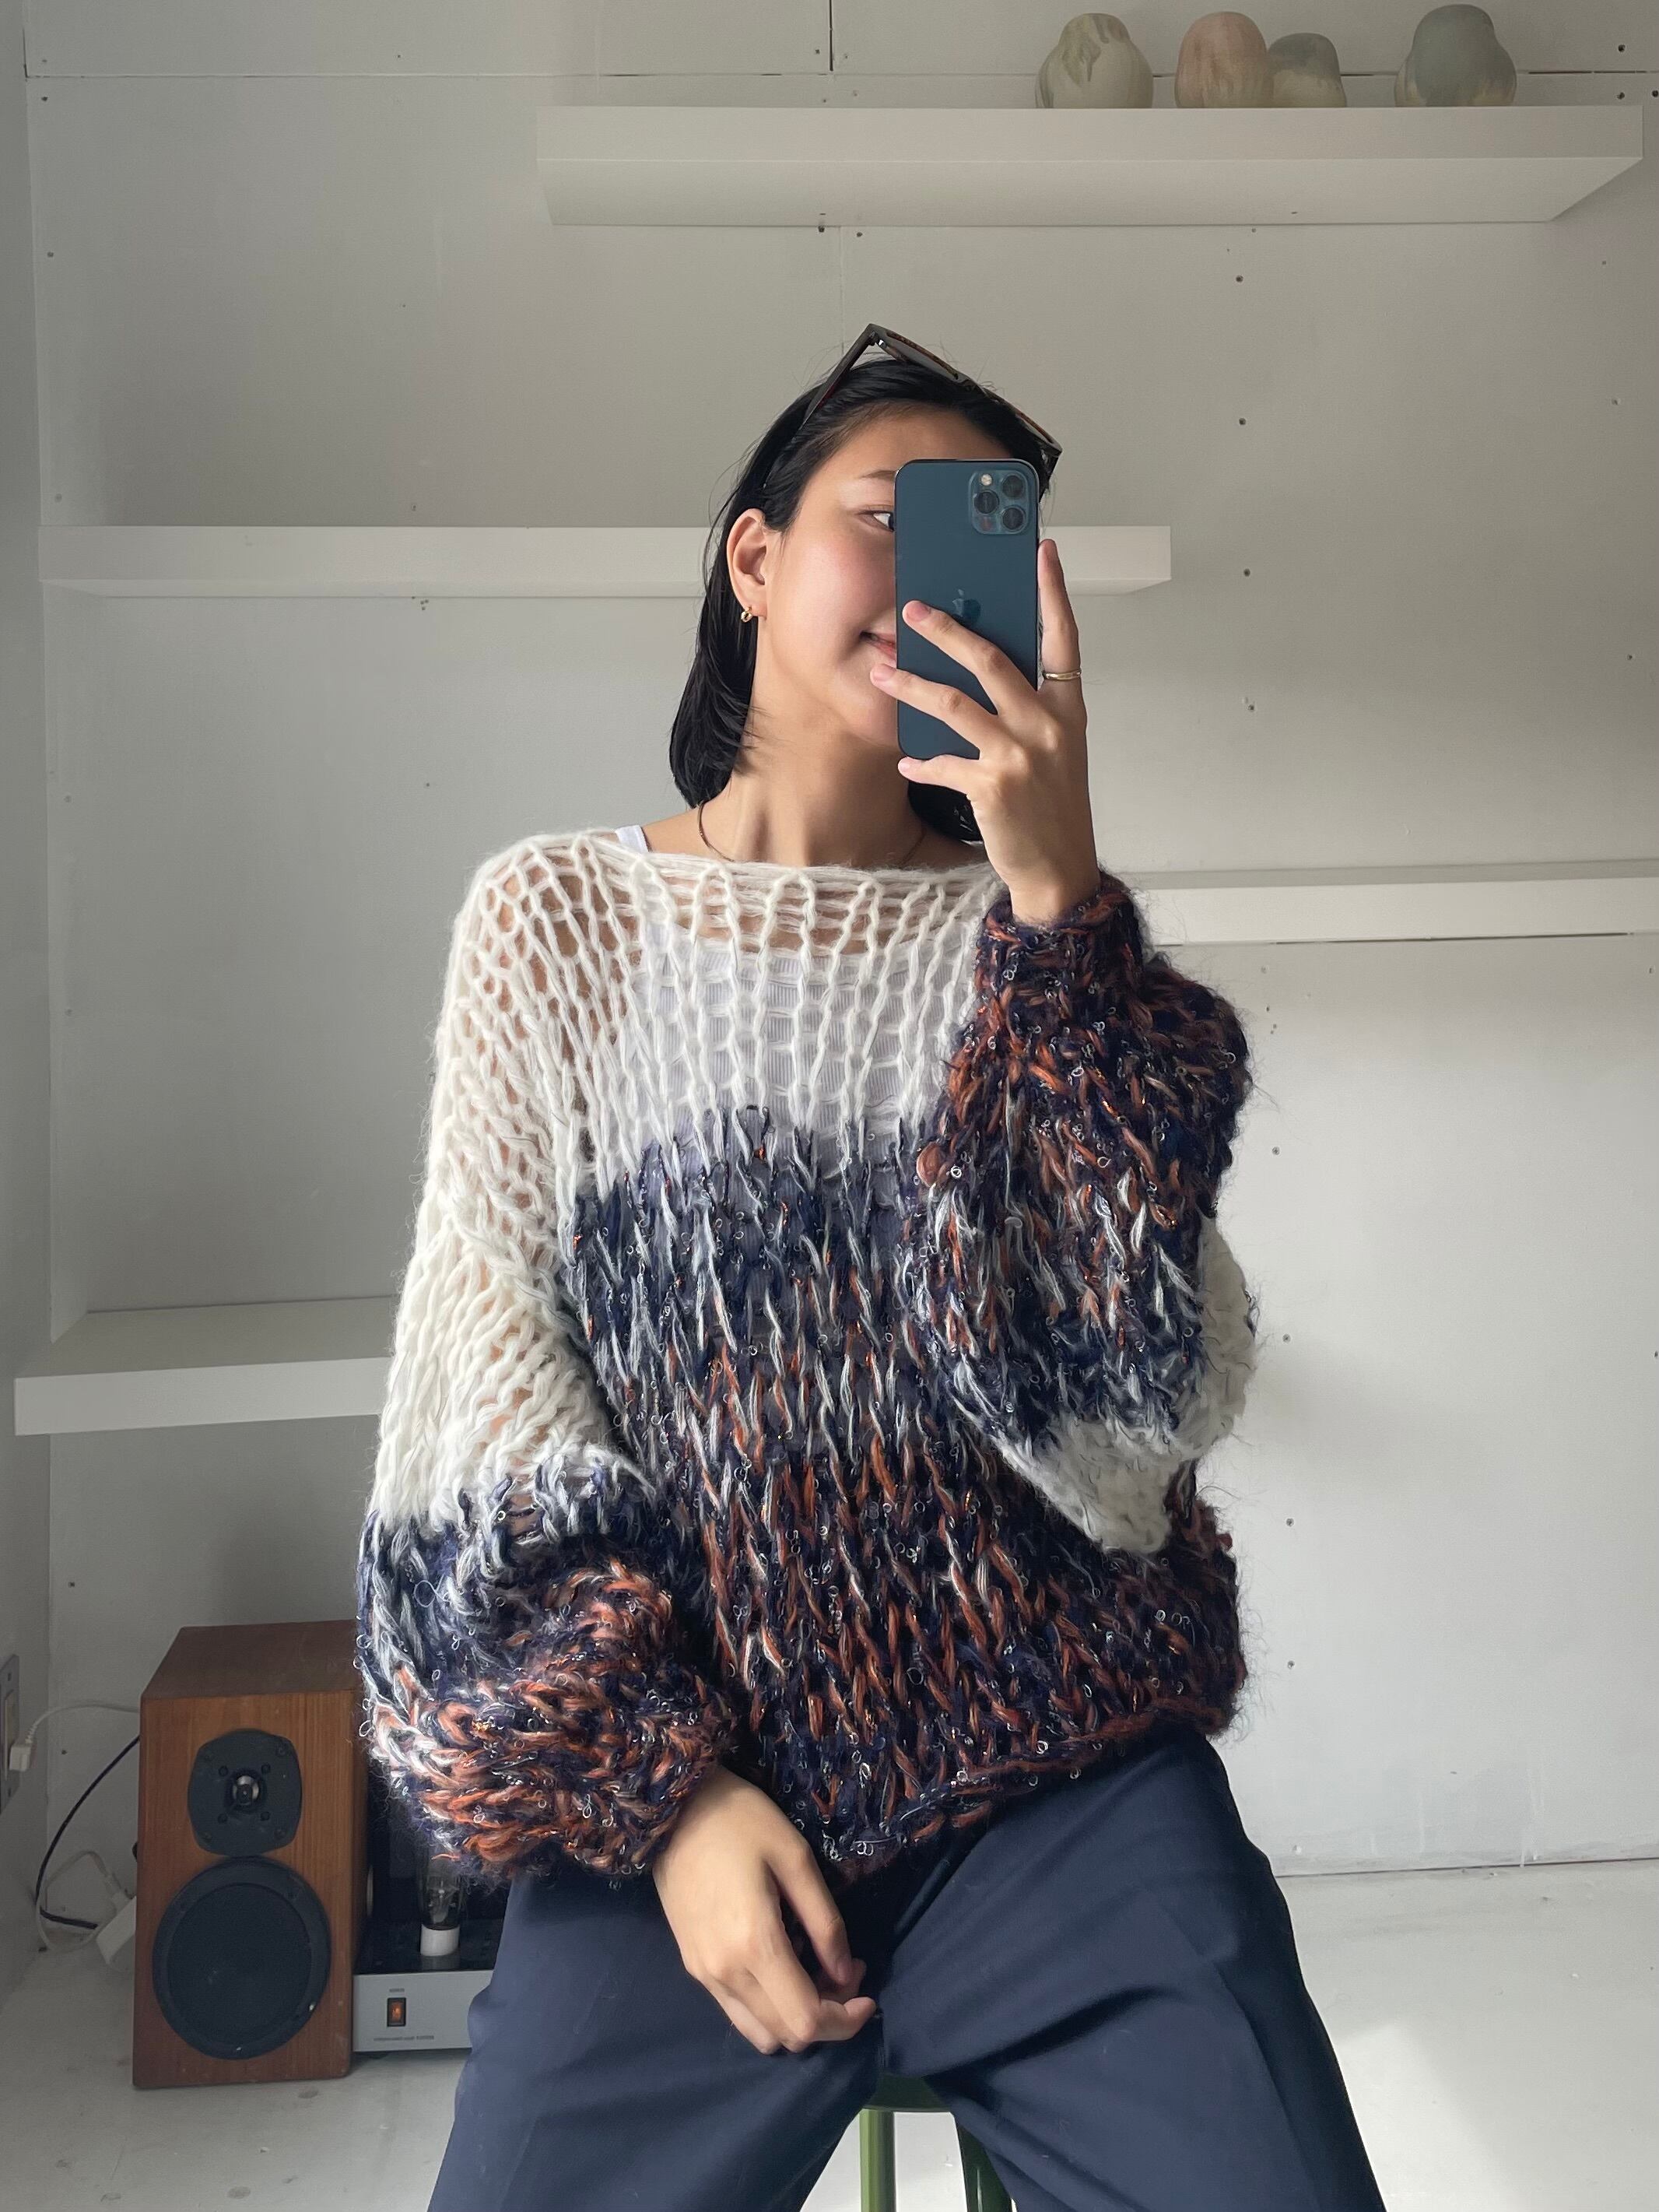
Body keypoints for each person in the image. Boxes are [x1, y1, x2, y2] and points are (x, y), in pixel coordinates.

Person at [355, 327, 1390, 2210]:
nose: (925, 578)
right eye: (881, 518)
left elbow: (1139, 1410)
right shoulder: (557, 923)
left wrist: (1064, 914)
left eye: (972, 537)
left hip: (1063, 1783)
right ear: (752, 559)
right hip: (691, 1796)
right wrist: (665, 1800)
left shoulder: (1030, 948)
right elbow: (484, 1407)